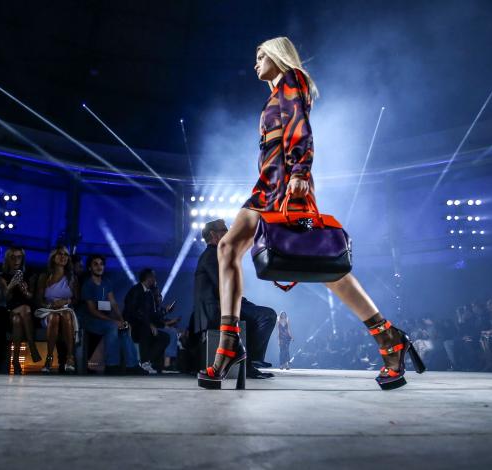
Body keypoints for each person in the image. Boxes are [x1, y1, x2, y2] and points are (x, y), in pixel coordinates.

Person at [199, 37, 425, 390]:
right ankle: (230, 343)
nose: (255, 63)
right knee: (234, 249)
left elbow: (300, 126)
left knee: (325, 267)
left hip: (285, 183)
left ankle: (388, 337)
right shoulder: (276, 93)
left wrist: (301, 171)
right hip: (269, 184)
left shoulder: (292, 79)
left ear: (278, 56)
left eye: (261, 56)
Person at [193, 219, 276, 380]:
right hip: (216, 310)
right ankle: (251, 359)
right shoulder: (212, 255)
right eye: (224, 230)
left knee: (257, 315)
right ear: (213, 235)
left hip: (218, 307)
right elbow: (224, 286)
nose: (228, 233)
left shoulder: (213, 254)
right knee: (267, 315)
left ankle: (249, 363)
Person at [81, 254, 146, 375]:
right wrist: (113, 321)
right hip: (89, 320)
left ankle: (132, 365)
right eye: (95, 264)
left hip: (104, 319)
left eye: (101, 264)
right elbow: (92, 311)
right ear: (90, 268)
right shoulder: (88, 284)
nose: (99, 267)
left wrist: (122, 320)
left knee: (124, 328)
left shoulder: (106, 282)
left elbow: (114, 303)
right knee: (112, 327)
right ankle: (112, 365)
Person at [34, 246, 78, 373]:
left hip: (66, 310)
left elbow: (76, 299)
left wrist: (65, 301)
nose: (63, 257)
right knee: (54, 317)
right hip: (49, 311)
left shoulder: (71, 278)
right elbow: (38, 300)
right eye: (60, 254)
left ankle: (70, 358)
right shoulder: (45, 277)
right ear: (53, 258)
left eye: (66, 254)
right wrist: (50, 306)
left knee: (65, 314)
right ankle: (49, 358)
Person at [123, 268, 175, 373]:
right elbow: (133, 311)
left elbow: (152, 315)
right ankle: (144, 362)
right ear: (149, 278)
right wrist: (150, 324)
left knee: (165, 337)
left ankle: (147, 363)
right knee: (145, 329)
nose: (155, 280)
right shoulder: (136, 290)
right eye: (154, 277)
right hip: (134, 326)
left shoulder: (149, 294)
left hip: (145, 325)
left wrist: (165, 311)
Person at [0, 246, 41, 374]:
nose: (16, 260)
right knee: (23, 310)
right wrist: (11, 285)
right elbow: (5, 298)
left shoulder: (29, 274)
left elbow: (31, 297)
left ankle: (16, 361)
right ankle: (32, 347)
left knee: (18, 319)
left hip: (26, 313)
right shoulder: (2, 276)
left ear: (22, 259)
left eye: (19, 257)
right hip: (10, 310)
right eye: (12, 257)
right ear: (8, 259)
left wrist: (25, 291)